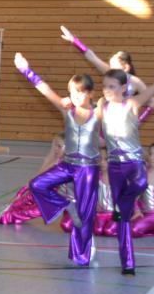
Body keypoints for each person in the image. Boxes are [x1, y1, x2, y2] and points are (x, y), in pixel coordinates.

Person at [13, 54, 100, 267]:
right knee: (37, 184)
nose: (76, 97)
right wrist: (26, 70)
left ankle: (82, 256)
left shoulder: (98, 113)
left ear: (90, 93)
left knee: (86, 213)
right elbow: (45, 90)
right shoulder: (67, 110)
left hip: (87, 169)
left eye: (81, 92)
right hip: (68, 164)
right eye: (72, 92)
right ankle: (66, 205)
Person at [99, 38, 154, 276]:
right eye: (104, 86)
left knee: (141, 183)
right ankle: (128, 262)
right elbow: (98, 133)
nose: (107, 90)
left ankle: (121, 206)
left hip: (134, 163)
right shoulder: (102, 105)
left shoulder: (131, 103)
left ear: (123, 88)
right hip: (115, 165)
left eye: (112, 86)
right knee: (123, 219)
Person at [60, 26, 154, 123]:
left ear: (126, 68)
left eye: (114, 68)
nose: (111, 71)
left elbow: (152, 101)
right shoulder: (110, 73)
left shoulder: (135, 82)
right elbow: (92, 57)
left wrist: (138, 122)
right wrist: (75, 41)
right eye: (111, 67)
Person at [0, 135, 66, 225]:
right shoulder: (54, 159)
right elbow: (38, 177)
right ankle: (1, 212)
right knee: (18, 201)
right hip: (43, 191)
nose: (56, 149)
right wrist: (22, 192)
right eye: (55, 145)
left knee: (26, 212)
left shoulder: (63, 165)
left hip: (52, 200)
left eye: (59, 146)